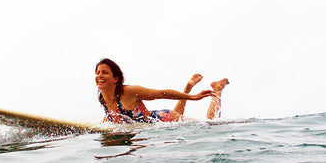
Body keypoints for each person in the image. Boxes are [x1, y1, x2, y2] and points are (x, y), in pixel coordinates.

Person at [96, 58, 229, 124]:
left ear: (115, 78)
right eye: (97, 73)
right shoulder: (103, 97)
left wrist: (193, 97)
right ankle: (187, 87)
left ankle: (217, 90)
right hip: (158, 121)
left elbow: (162, 93)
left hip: (165, 118)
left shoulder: (129, 92)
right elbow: (113, 116)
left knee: (210, 124)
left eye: (104, 73)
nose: (99, 76)